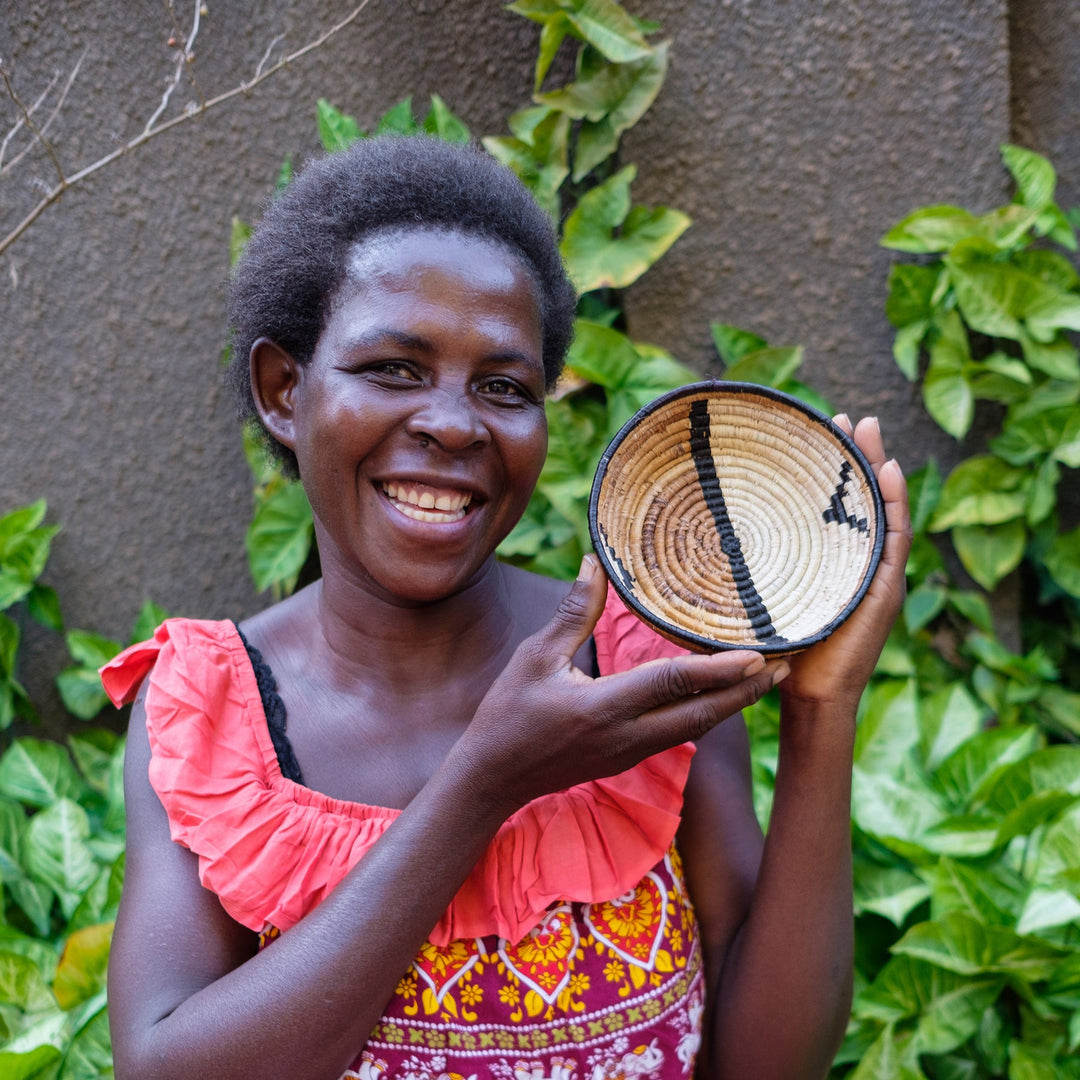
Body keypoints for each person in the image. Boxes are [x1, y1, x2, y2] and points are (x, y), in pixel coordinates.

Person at [102, 135, 910, 1080]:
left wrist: (821, 712)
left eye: (503, 386)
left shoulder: (645, 667)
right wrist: (487, 781)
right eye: (394, 369)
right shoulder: (212, 715)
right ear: (285, 391)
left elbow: (766, 1064)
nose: (453, 422)